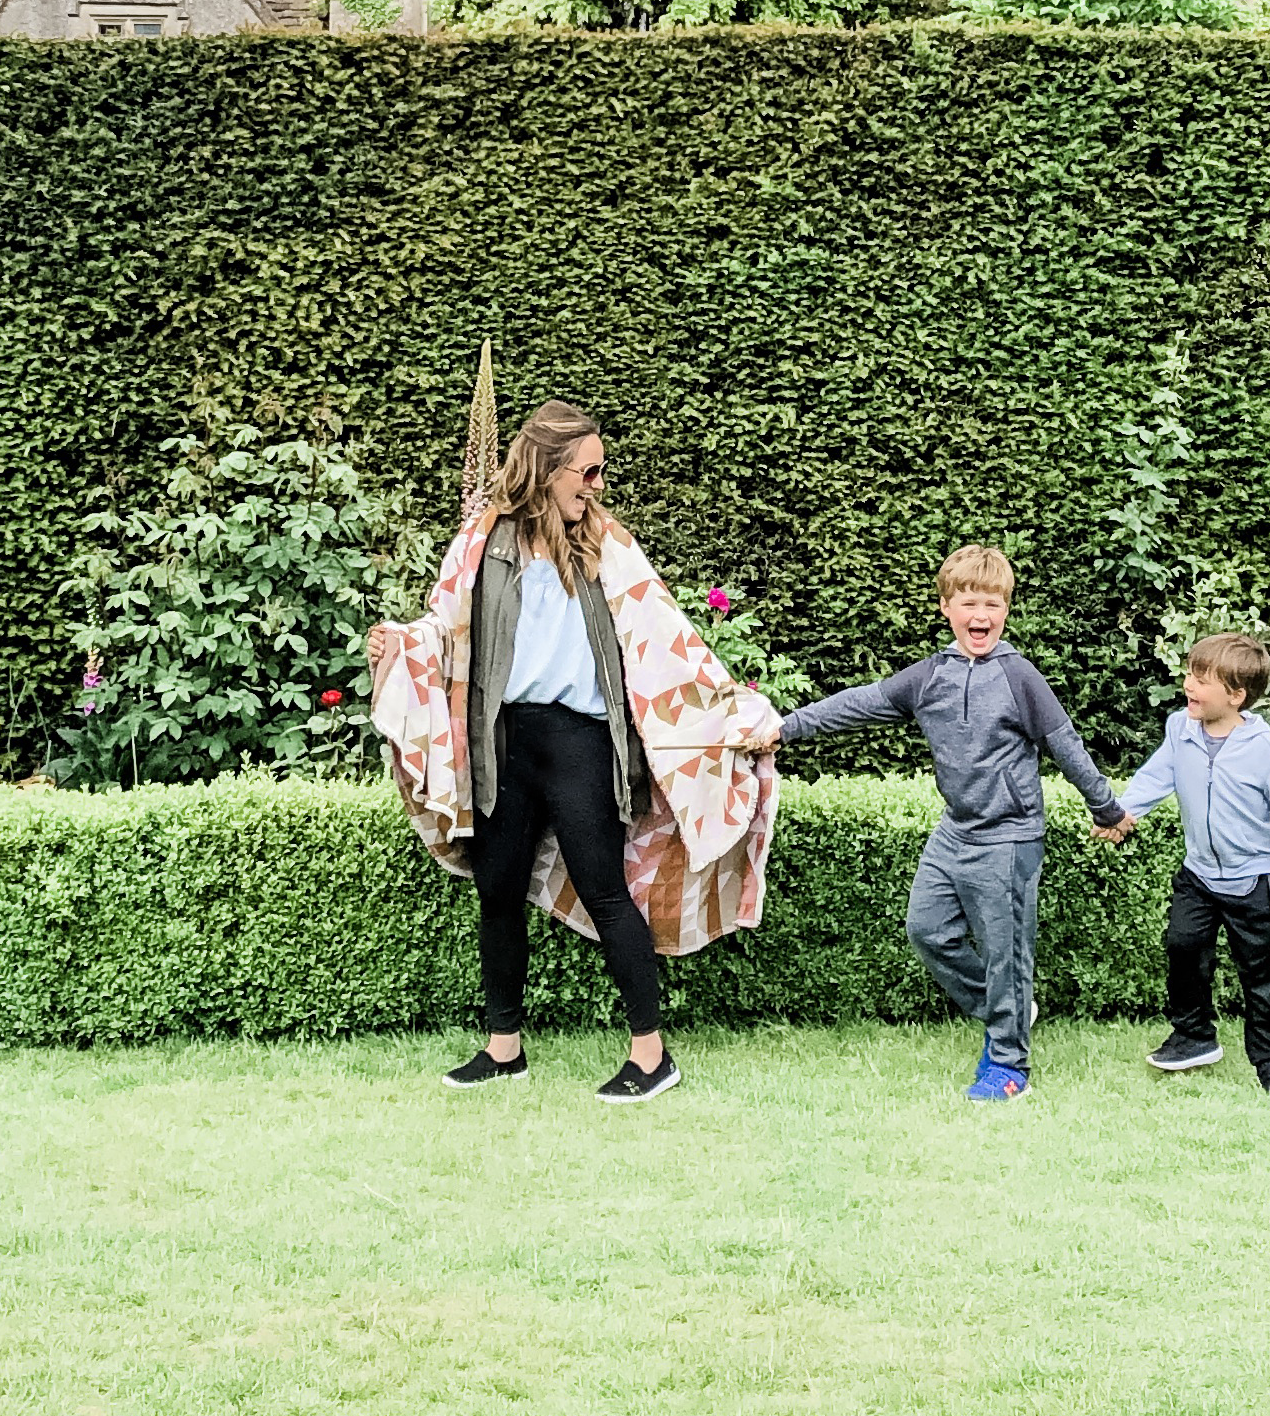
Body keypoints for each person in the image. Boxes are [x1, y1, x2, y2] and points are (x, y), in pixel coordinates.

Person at [366, 401, 727, 1100]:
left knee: (606, 893)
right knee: (497, 893)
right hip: (503, 742)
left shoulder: (608, 544)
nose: (595, 484)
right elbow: (445, 627)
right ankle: (505, 1050)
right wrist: (399, 644)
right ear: (545, 467)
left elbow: (666, 639)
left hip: (580, 742)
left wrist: (727, 713)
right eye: (586, 471)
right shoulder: (482, 539)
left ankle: (652, 1057)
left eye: (599, 471)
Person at [764, 542, 1132, 1099]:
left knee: (1006, 951)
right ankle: (1008, 1008)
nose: (980, 616)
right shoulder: (930, 676)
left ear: (1006, 610)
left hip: (1009, 835)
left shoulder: (1019, 676)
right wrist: (787, 727)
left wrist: (1105, 806)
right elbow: (862, 702)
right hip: (955, 831)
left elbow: (1065, 746)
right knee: (927, 930)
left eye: (993, 604)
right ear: (946, 607)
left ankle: (1009, 1068)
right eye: (969, 603)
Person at [1122, 631, 1270, 1095]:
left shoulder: (1267, 751)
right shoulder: (1180, 729)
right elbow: (1157, 775)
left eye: (1202, 679)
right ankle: (1194, 1037)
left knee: (1262, 974)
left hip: (1255, 882)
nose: (1189, 685)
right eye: (1190, 673)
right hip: (1198, 875)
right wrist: (1124, 813)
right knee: (1183, 948)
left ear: (1236, 696)